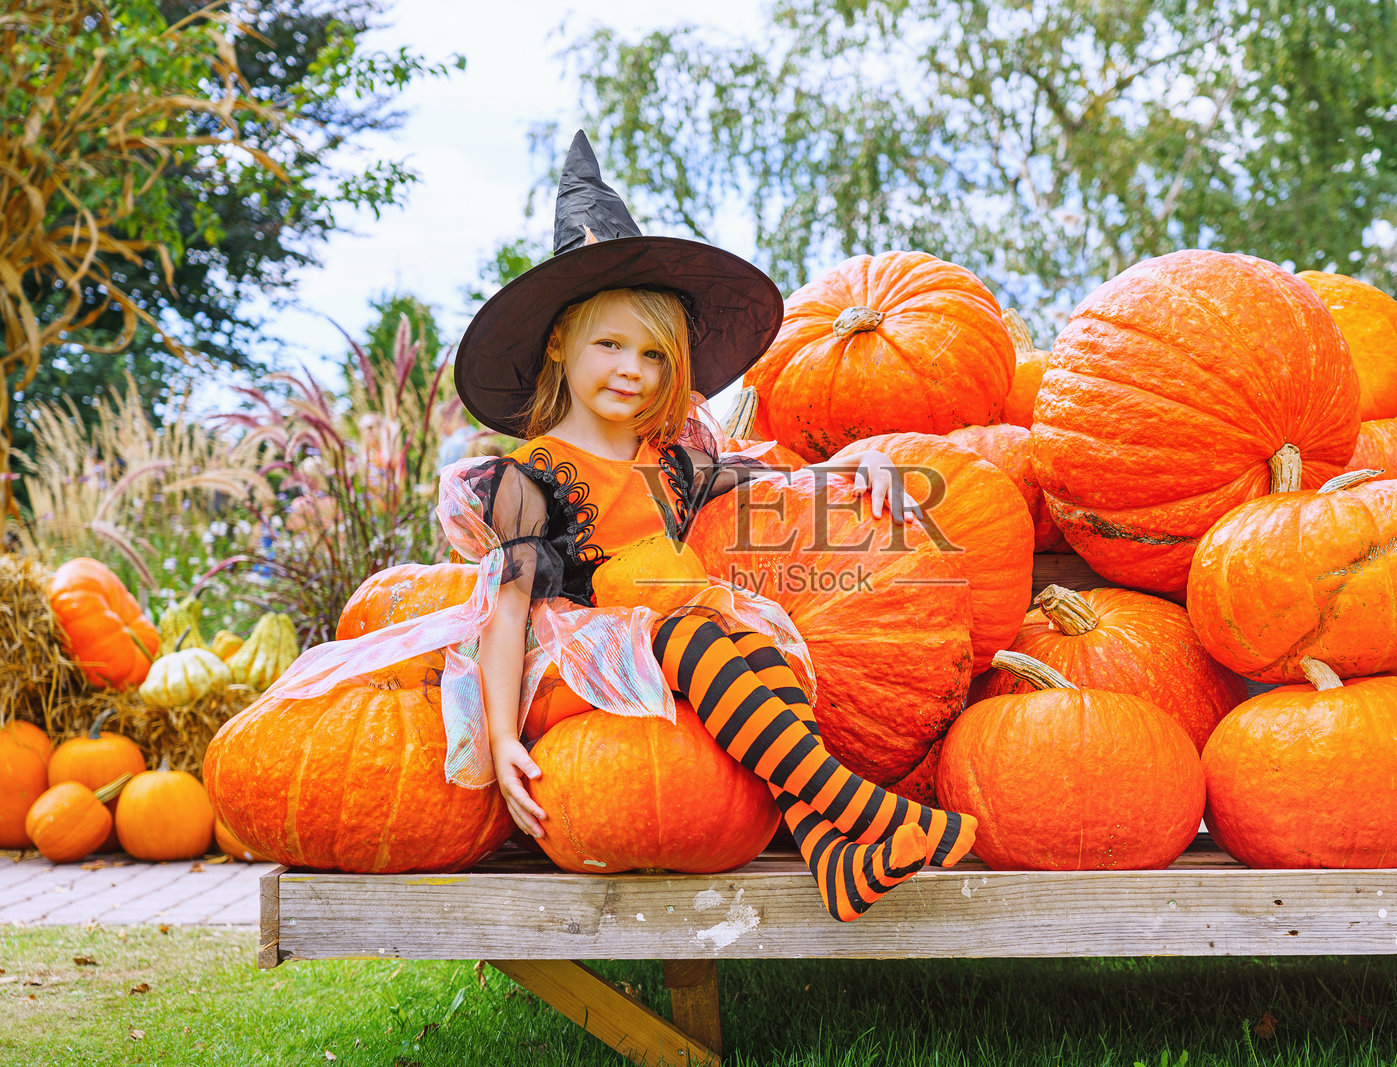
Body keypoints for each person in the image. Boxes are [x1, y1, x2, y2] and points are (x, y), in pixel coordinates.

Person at [267, 131, 977, 922]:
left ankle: (830, 851)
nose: (631, 369)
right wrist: (502, 737)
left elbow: (769, 479)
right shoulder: (529, 476)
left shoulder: (670, 459)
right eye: (610, 343)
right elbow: (504, 612)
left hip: (665, 646)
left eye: (652, 354)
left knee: (762, 652)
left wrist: (858, 464)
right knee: (694, 639)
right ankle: (866, 811)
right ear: (561, 341)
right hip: (571, 670)